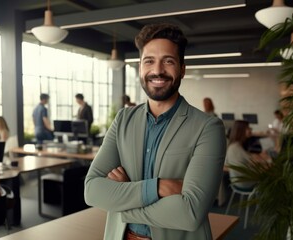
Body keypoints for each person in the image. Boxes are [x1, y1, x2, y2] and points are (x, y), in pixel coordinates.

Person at [84, 23, 226, 240]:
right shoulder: (123, 120)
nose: (157, 70)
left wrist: (122, 197)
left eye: (168, 61)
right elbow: (92, 190)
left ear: (182, 68)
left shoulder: (208, 128)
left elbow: (190, 213)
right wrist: (158, 187)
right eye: (149, 61)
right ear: (140, 67)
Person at [225, 120, 270, 190]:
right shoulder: (237, 148)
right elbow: (255, 163)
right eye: (248, 128)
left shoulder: (233, 146)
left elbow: (244, 159)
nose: (250, 130)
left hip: (236, 181)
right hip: (245, 183)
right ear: (241, 131)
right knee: (269, 170)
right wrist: (267, 160)